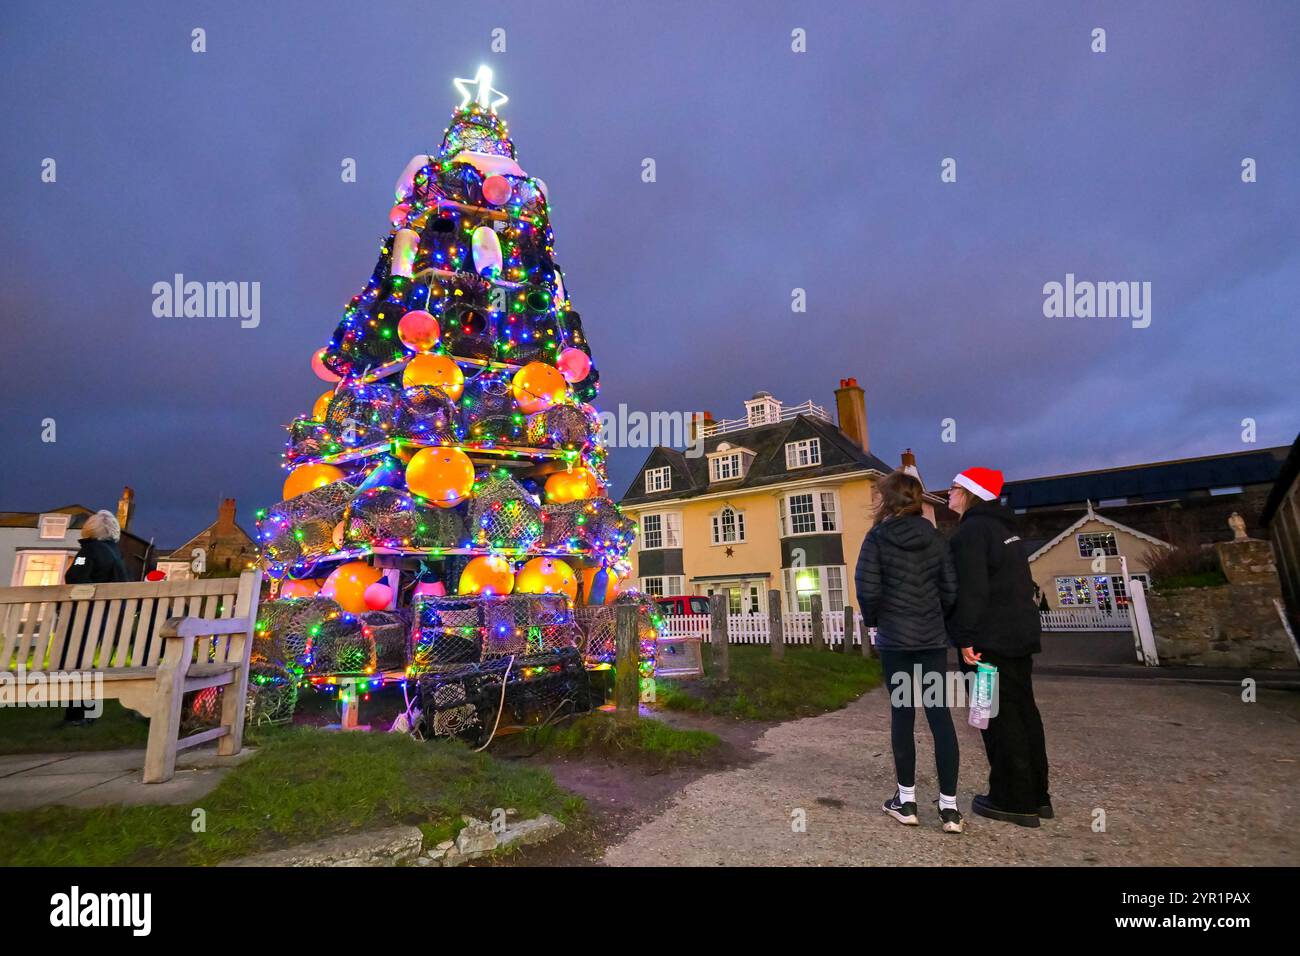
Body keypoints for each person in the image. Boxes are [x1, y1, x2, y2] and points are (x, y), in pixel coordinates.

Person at [856, 469, 963, 833]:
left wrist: (875, 620)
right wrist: (939, 619)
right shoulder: (936, 539)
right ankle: (950, 809)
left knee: (903, 716)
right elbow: (950, 589)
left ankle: (907, 800)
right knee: (940, 717)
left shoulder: (878, 538)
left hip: (897, 642)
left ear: (887, 499)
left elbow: (867, 588)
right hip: (931, 640)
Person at [946, 467, 1051, 828]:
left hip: (988, 642)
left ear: (970, 493)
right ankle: (1038, 795)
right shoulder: (1008, 531)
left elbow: (972, 590)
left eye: (955, 487)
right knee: (1024, 713)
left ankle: (1012, 799)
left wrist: (965, 637)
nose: (949, 493)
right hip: (1018, 636)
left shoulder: (970, 533)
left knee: (996, 718)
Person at [61, 510, 130, 724]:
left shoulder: (87, 552)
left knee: (76, 660)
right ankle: (89, 711)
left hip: (85, 617)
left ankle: (75, 714)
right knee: (89, 660)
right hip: (107, 619)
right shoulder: (116, 554)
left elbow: (74, 576)